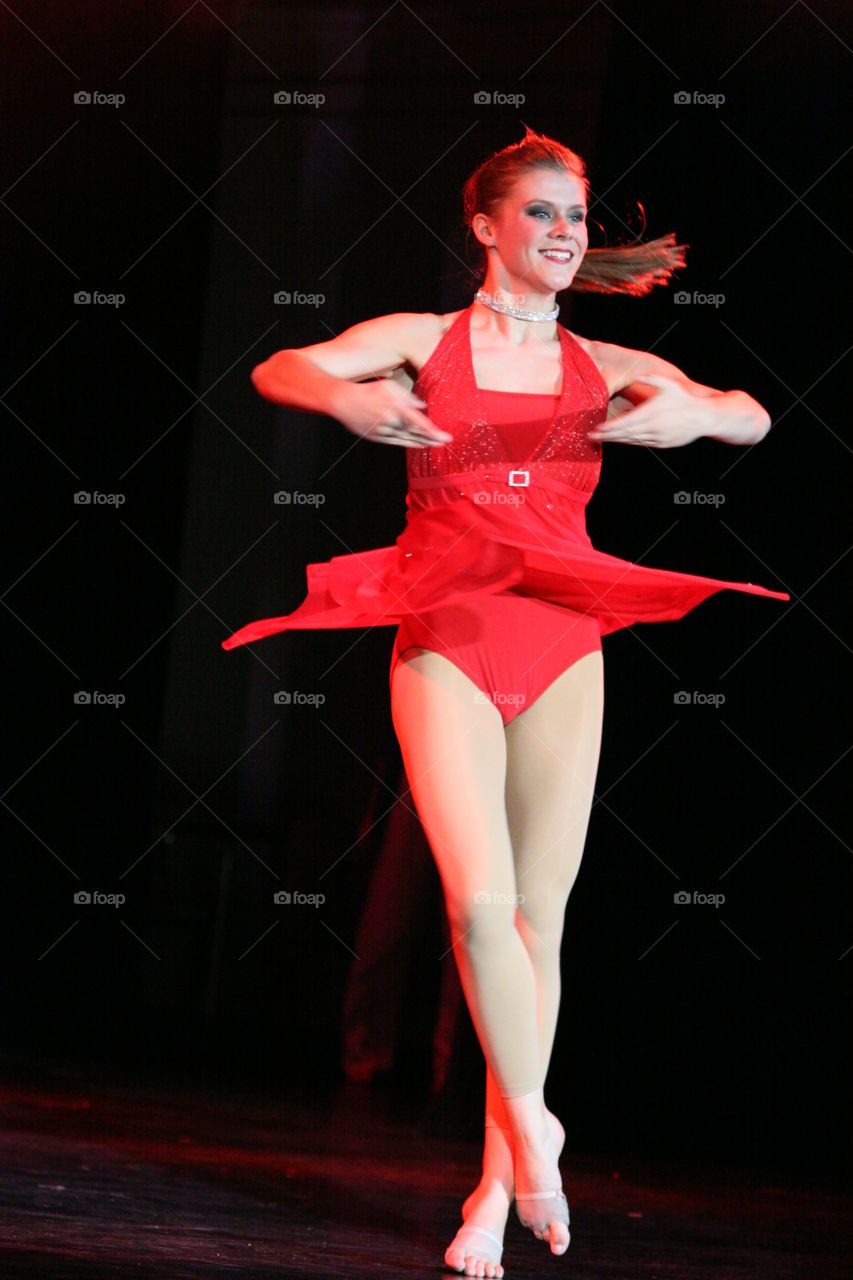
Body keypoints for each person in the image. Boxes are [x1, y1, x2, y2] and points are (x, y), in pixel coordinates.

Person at [221, 128, 789, 1277]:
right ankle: (534, 1126)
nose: (565, 233)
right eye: (539, 212)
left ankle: (493, 1182)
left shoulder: (604, 361)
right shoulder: (424, 341)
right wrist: (342, 404)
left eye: (575, 217)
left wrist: (697, 417)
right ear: (484, 225)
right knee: (477, 903)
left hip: (563, 639)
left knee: (540, 917)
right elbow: (282, 366)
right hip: (448, 632)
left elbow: (750, 411)